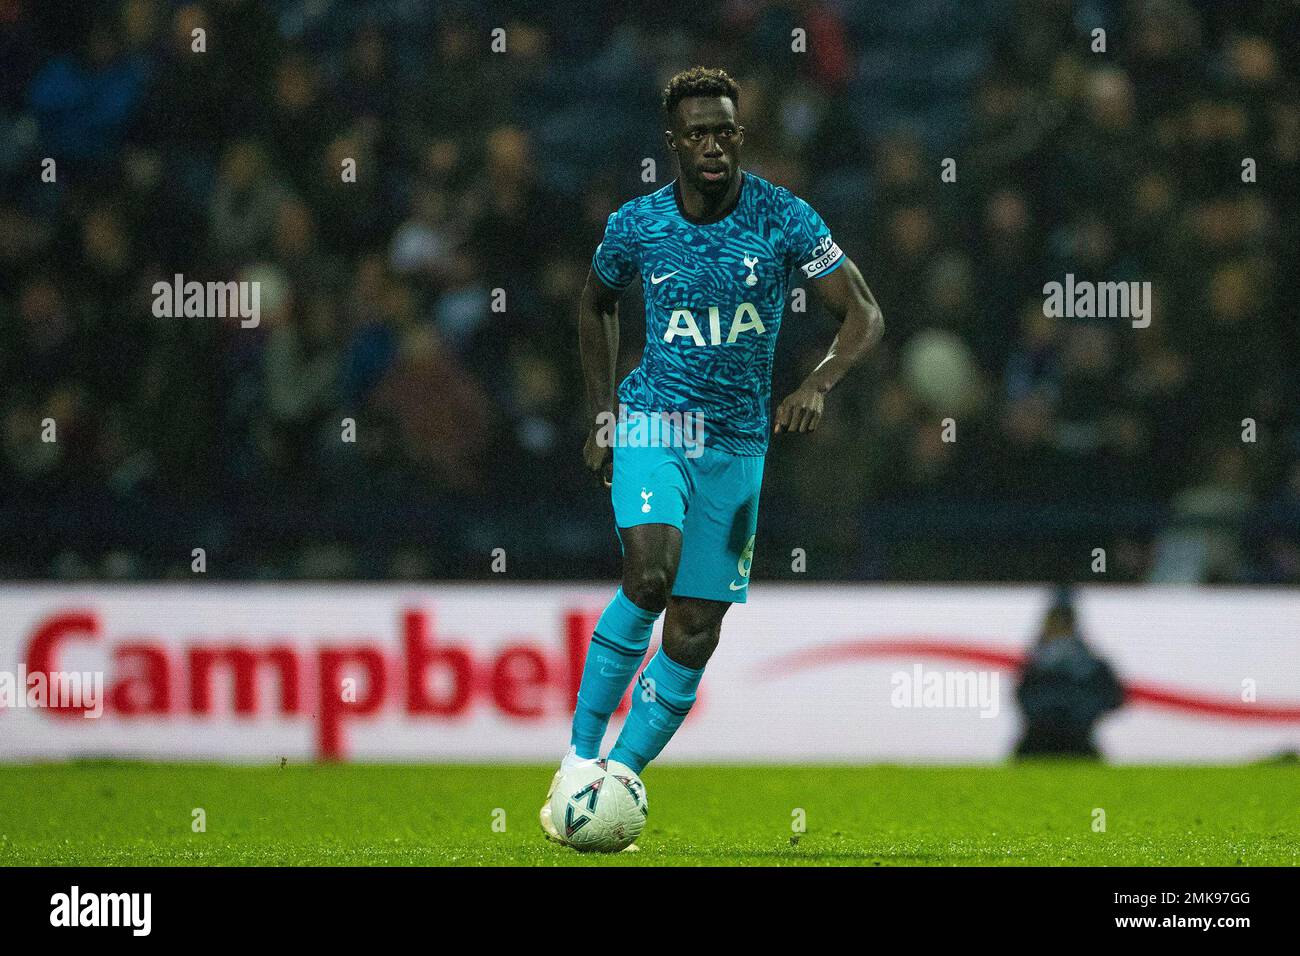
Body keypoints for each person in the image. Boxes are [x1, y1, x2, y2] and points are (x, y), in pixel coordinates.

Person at [540, 67, 884, 846]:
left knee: (695, 630)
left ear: (740, 133)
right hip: (656, 425)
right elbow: (594, 302)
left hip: (736, 448)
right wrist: (602, 415)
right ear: (673, 143)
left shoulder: (783, 216)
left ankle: (621, 776)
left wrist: (820, 382)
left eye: (725, 129)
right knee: (651, 576)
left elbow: (863, 311)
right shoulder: (637, 225)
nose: (713, 144)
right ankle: (577, 758)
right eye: (697, 132)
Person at [1014, 588, 1126, 758]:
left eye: (1063, 624)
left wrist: (1079, 713)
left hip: (1074, 740)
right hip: (1045, 742)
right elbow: (1023, 698)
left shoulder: (1089, 664)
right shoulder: (1037, 664)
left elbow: (1115, 698)